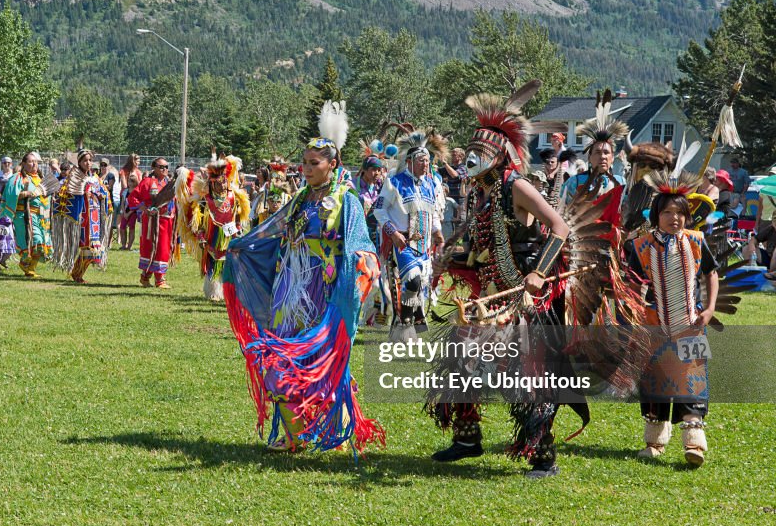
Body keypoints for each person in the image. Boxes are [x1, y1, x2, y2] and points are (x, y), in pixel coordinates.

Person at [427, 81, 574, 479]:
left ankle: (543, 455)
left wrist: (538, 273)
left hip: (526, 296)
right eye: (470, 153)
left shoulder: (517, 186)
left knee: (528, 374)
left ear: (499, 155)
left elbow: (559, 227)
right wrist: (452, 260)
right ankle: (467, 437)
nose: (473, 159)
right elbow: (482, 247)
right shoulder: (483, 192)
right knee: (459, 359)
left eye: (480, 153)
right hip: (491, 295)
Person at [222, 100, 384, 453]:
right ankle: (296, 434)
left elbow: (362, 248)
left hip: (322, 293)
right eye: (305, 163)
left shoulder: (347, 202)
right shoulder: (299, 200)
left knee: (319, 361)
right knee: (279, 358)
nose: (307, 169)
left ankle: (325, 428)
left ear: (332, 164)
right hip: (288, 293)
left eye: (314, 164)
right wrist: (241, 246)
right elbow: (272, 230)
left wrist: (356, 276)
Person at [626, 189, 718, 466]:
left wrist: (711, 308)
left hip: (691, 323)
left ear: (687, 217)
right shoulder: (641, 246)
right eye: (667, 212)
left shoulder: (696, 241)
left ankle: (694, 444)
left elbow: (711, 273)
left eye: (680, 213)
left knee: (692, 379)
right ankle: (655, 442)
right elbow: (633, 286)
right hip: (653, 325)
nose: (674, 218)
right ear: (656, 216)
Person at [373, 126, 446, 338]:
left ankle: (402, 322)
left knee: (418, 286)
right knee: (412, 280)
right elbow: (379, 210)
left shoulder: (431, 184)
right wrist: (393, 233)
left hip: (423, 243)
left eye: (428, 161)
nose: (426, 164)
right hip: (403, 241)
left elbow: (432, 213)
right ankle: (406, 323)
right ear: (410, 162)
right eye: (422, 161)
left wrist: (438, 232)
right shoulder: (394, 182)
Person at [175, 154, 251, 300]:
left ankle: (230, 291)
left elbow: (237, 216)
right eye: (217, 183)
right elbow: (198, 222)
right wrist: (200, 237)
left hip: (230, 235)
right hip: (212, 236)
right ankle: (213, 292)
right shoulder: (205, 200)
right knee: (213, 263)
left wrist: (238, 229)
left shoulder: (233, 196)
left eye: (223, 182)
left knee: (230, 263)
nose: (221, 185)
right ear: (211, 183)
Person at [51, 150, 107, 283]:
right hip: (81, 218)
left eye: (89, 160)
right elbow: (66, 195)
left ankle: (77, 273)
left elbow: (103, 191)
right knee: (88, 248)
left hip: (94, 218)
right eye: (84, 161)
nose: (88, 163)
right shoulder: (74, 177)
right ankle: (77, 274)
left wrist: (101, 195)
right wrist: (83, 195)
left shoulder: (94, 177)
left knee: (94, 249)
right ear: (79, 162)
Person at [0, 152, 52, 277]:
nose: (34, 164)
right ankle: (25, 263)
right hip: (24, 216)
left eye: (36, 162)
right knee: (34, 240)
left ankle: (30, 269)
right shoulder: (17, 178)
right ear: (23, 164)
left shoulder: (40, 179)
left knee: (41, 243)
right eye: (31, 161)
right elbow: (11, 194)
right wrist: (26, 194)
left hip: (41, 216)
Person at [133, 158, 176, 288]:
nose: (164, 169)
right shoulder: (147, 182)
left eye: (166, 166)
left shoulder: (170, 183)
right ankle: (157, 279)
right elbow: (133, 197)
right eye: (161, 166)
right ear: (154, 168)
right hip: (152, 221)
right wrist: (144, 209)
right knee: (152, 247)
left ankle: (147, 277)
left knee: (163, 248)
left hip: (167, 221)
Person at [98, 158, 118, 249]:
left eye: (105, 165)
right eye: (101, 165)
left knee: (109, 223)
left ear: (108, 166)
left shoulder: (110, 175)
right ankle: (100, 240)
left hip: (109, 202)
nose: (103, 167)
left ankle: (109, 242)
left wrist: (100, 185)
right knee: (100, 222)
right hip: (98, 202)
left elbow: (109, 187)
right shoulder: (97, 175)